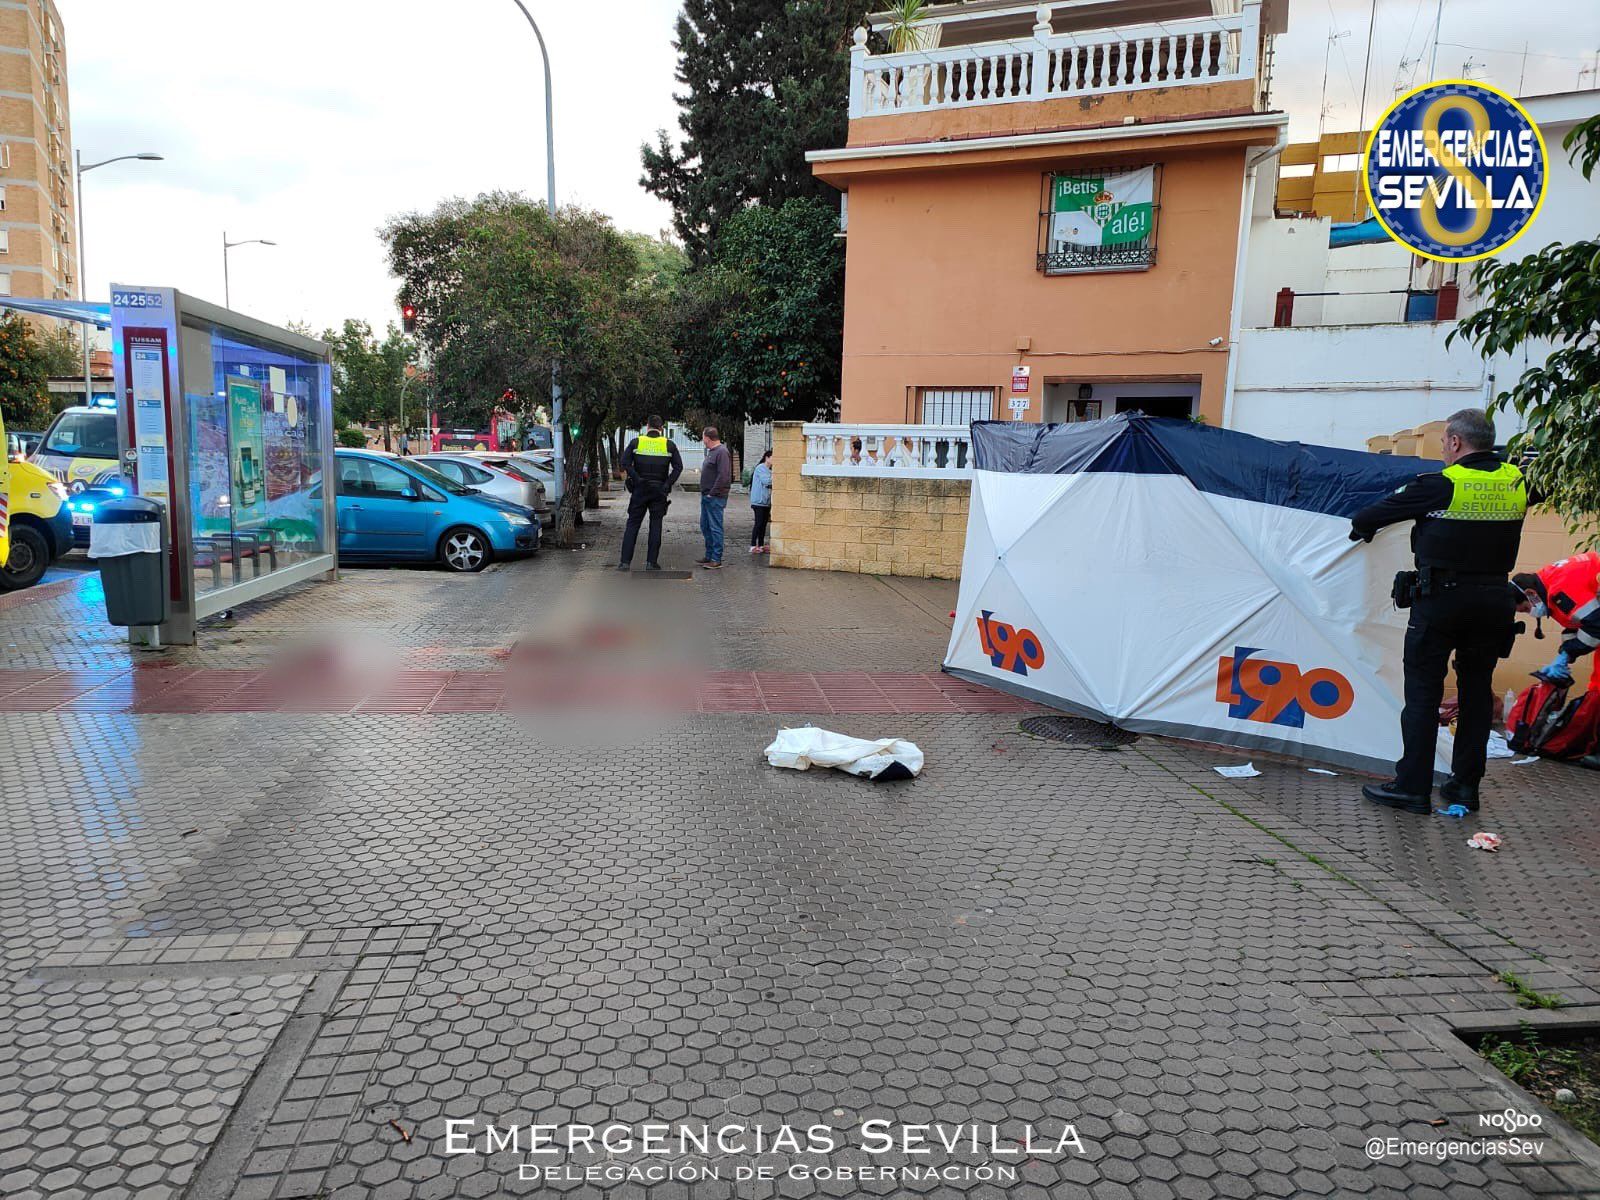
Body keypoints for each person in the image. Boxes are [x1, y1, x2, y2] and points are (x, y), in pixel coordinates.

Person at [1349, 408, 1528, 815]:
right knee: (1477, 694)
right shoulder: (1518, 482)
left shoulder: (1440, 485)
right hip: (1494, 600)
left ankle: (1412, 787)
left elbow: (1367, 518)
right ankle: (1465, 787)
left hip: (1442, 599)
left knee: (1424, 693)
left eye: (1445, 442)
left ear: (1455, 442)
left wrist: (1363, 530)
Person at [1513, 551, 1600, 690]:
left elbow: (1596, 626)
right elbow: (1578, 622)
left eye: (1525, 609)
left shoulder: (1559, 590)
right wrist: (1564, 654)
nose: (1530, 613)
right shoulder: (1547, 580)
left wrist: (1568, 653)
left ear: (1530, 594)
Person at [617, 415, 683, 572]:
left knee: (632, 525)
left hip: (640, 489)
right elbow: (678, 467)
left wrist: (637, 478)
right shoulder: (669, 445)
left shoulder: (636, 442)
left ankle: (625, 563)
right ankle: (651, 563)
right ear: (661, 428)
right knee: (655, 525)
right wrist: (667, 484)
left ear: (647, 427)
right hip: (659, 491)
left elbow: (624, 462)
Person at [697, 426, 732, 569]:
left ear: (707, 437)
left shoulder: (722, 452)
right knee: (705, 526)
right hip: (707, 496)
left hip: (715, 497)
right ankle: (709, 555)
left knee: (715, 527)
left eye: (703, 437)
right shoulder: (712, 452)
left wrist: (712, 492)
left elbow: (723, 475)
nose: (702, 440)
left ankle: (716, 558)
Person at [749, 449, 773, 555]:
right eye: (773, 458)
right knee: (758, 524)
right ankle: (753, 545)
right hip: (758, 502)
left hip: (766, 502)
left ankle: (761, 545)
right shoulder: (760, 468)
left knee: (763, 525)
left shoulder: (770, 470)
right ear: (767, 457)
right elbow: (766, 481)